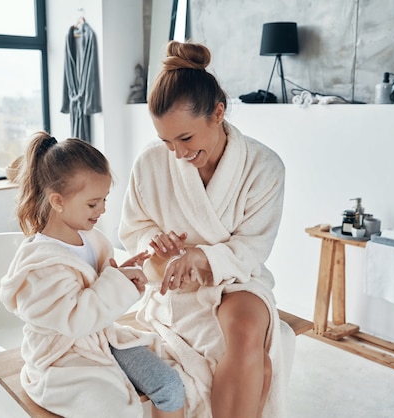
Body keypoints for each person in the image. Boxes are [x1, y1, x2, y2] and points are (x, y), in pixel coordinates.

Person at [119, 41, 287, 418]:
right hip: (175, 283)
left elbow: (253, 248)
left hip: (235, 278)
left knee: (245, 333)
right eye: (166, 141)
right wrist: (156, 246)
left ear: (218, 113)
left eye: (186, 138)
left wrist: (203, 256)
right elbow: (134, 229)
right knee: (259, 367)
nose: (177, 154)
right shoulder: (150, 163)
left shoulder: (264, 167)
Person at [0, 132, 185, 418]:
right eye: (92, 203)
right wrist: (116, 282)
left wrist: (123, 275)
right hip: (62, 354)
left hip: (104, 338)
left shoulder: (93, 240)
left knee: (171, 387)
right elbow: (76, 319)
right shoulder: (38, 264)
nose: (102, 209)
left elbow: (101, 295)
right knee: (116, 409)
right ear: (58, 201)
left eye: (104, 200)